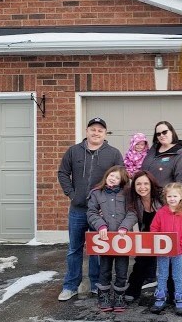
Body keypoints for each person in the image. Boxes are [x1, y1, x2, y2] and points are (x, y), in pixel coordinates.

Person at [57, 117, 124, 301]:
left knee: (97, 249)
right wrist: (71, 193)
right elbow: (63, 173)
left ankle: (96, 284)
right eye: (93, 129)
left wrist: (110, 203)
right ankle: (70, 285)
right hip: (78, 210)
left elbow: (121, 178)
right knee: (74, 249)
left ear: (105, 133)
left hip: (100, 212)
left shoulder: (113, 153)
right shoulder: (73, 151)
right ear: (87, 131)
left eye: (100, 130)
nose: (96, 133)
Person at [87, 165, 137, 312]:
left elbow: (132, 213)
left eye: (117, 177)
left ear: (122, 181)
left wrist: (125, 227)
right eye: (111, 175)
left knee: (122, 269)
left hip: (122, 239)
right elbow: (91, 213)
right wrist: (100, 225)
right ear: (106, 175)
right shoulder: (96, 193)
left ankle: (119, 296)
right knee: (104, 269)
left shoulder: (128, 194)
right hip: (105, 240)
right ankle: (104, 296)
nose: (113, 178)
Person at [150, 182, 182, 316]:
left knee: (177, 275)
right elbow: (154, 229)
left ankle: (179, 298)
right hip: (163, 251)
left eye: (175, 196)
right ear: (165, 197)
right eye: (169, 196)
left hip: (178, 252)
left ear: (181, 197)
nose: (172, 199)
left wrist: (181, 245)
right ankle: (161, 296)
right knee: (162, 274)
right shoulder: (161, 213)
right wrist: (158, 242)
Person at [124, 170, 163, 302]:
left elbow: (178, 207)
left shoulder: (161, 196)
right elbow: (131, 215)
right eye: (138, 184)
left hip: (163, 233)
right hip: (145, 233)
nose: (142, 187)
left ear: (151, 184)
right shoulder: (134, 200)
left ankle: (171, 292)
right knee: (141, 261)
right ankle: (133, 288)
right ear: (134, 186)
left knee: (167, 264)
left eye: (146, 183)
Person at [141, 121, 182, 189]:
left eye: (164, 132)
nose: (161, 135)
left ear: (172, 132)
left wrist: (172, 197)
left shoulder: (180, 154)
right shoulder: (154, 148)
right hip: (146, 194)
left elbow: (181, 183)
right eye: (158, 134)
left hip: (164, 197)